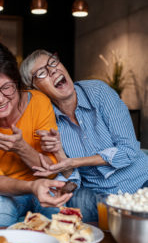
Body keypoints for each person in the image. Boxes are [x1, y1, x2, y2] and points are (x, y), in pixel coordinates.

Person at [0, 40, 80, 227]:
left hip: (44, 185)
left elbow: (50, 171)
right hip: (4, 193)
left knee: (61, 218)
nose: (0, 99)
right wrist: (31, 186)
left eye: (6, 87)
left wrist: (21, 148)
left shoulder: (38, 102)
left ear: (17, 82)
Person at [20, 49, 148, 221]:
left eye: (53, 62)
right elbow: (73, 178)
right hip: (100, 194)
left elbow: (129, 150)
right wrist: (64, 176)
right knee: (76, 202)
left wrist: (77, 161)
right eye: (42, 72)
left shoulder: (99, 92)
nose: (53, 70)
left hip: (140, 181)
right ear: (35, 89)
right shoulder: (46, 120)